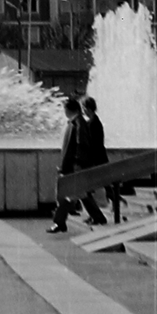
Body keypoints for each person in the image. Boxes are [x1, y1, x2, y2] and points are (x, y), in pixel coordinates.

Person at [48, 97, 106, 233]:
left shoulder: (78, 123)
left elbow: (82, 145)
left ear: (69, 109)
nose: (64, 112)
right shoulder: (76, 122)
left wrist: (77, 164)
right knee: (80, 194)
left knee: (67, 195)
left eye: (65, 109)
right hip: (72, 166)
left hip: (74, 167)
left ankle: (59, 222)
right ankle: (98, 216)